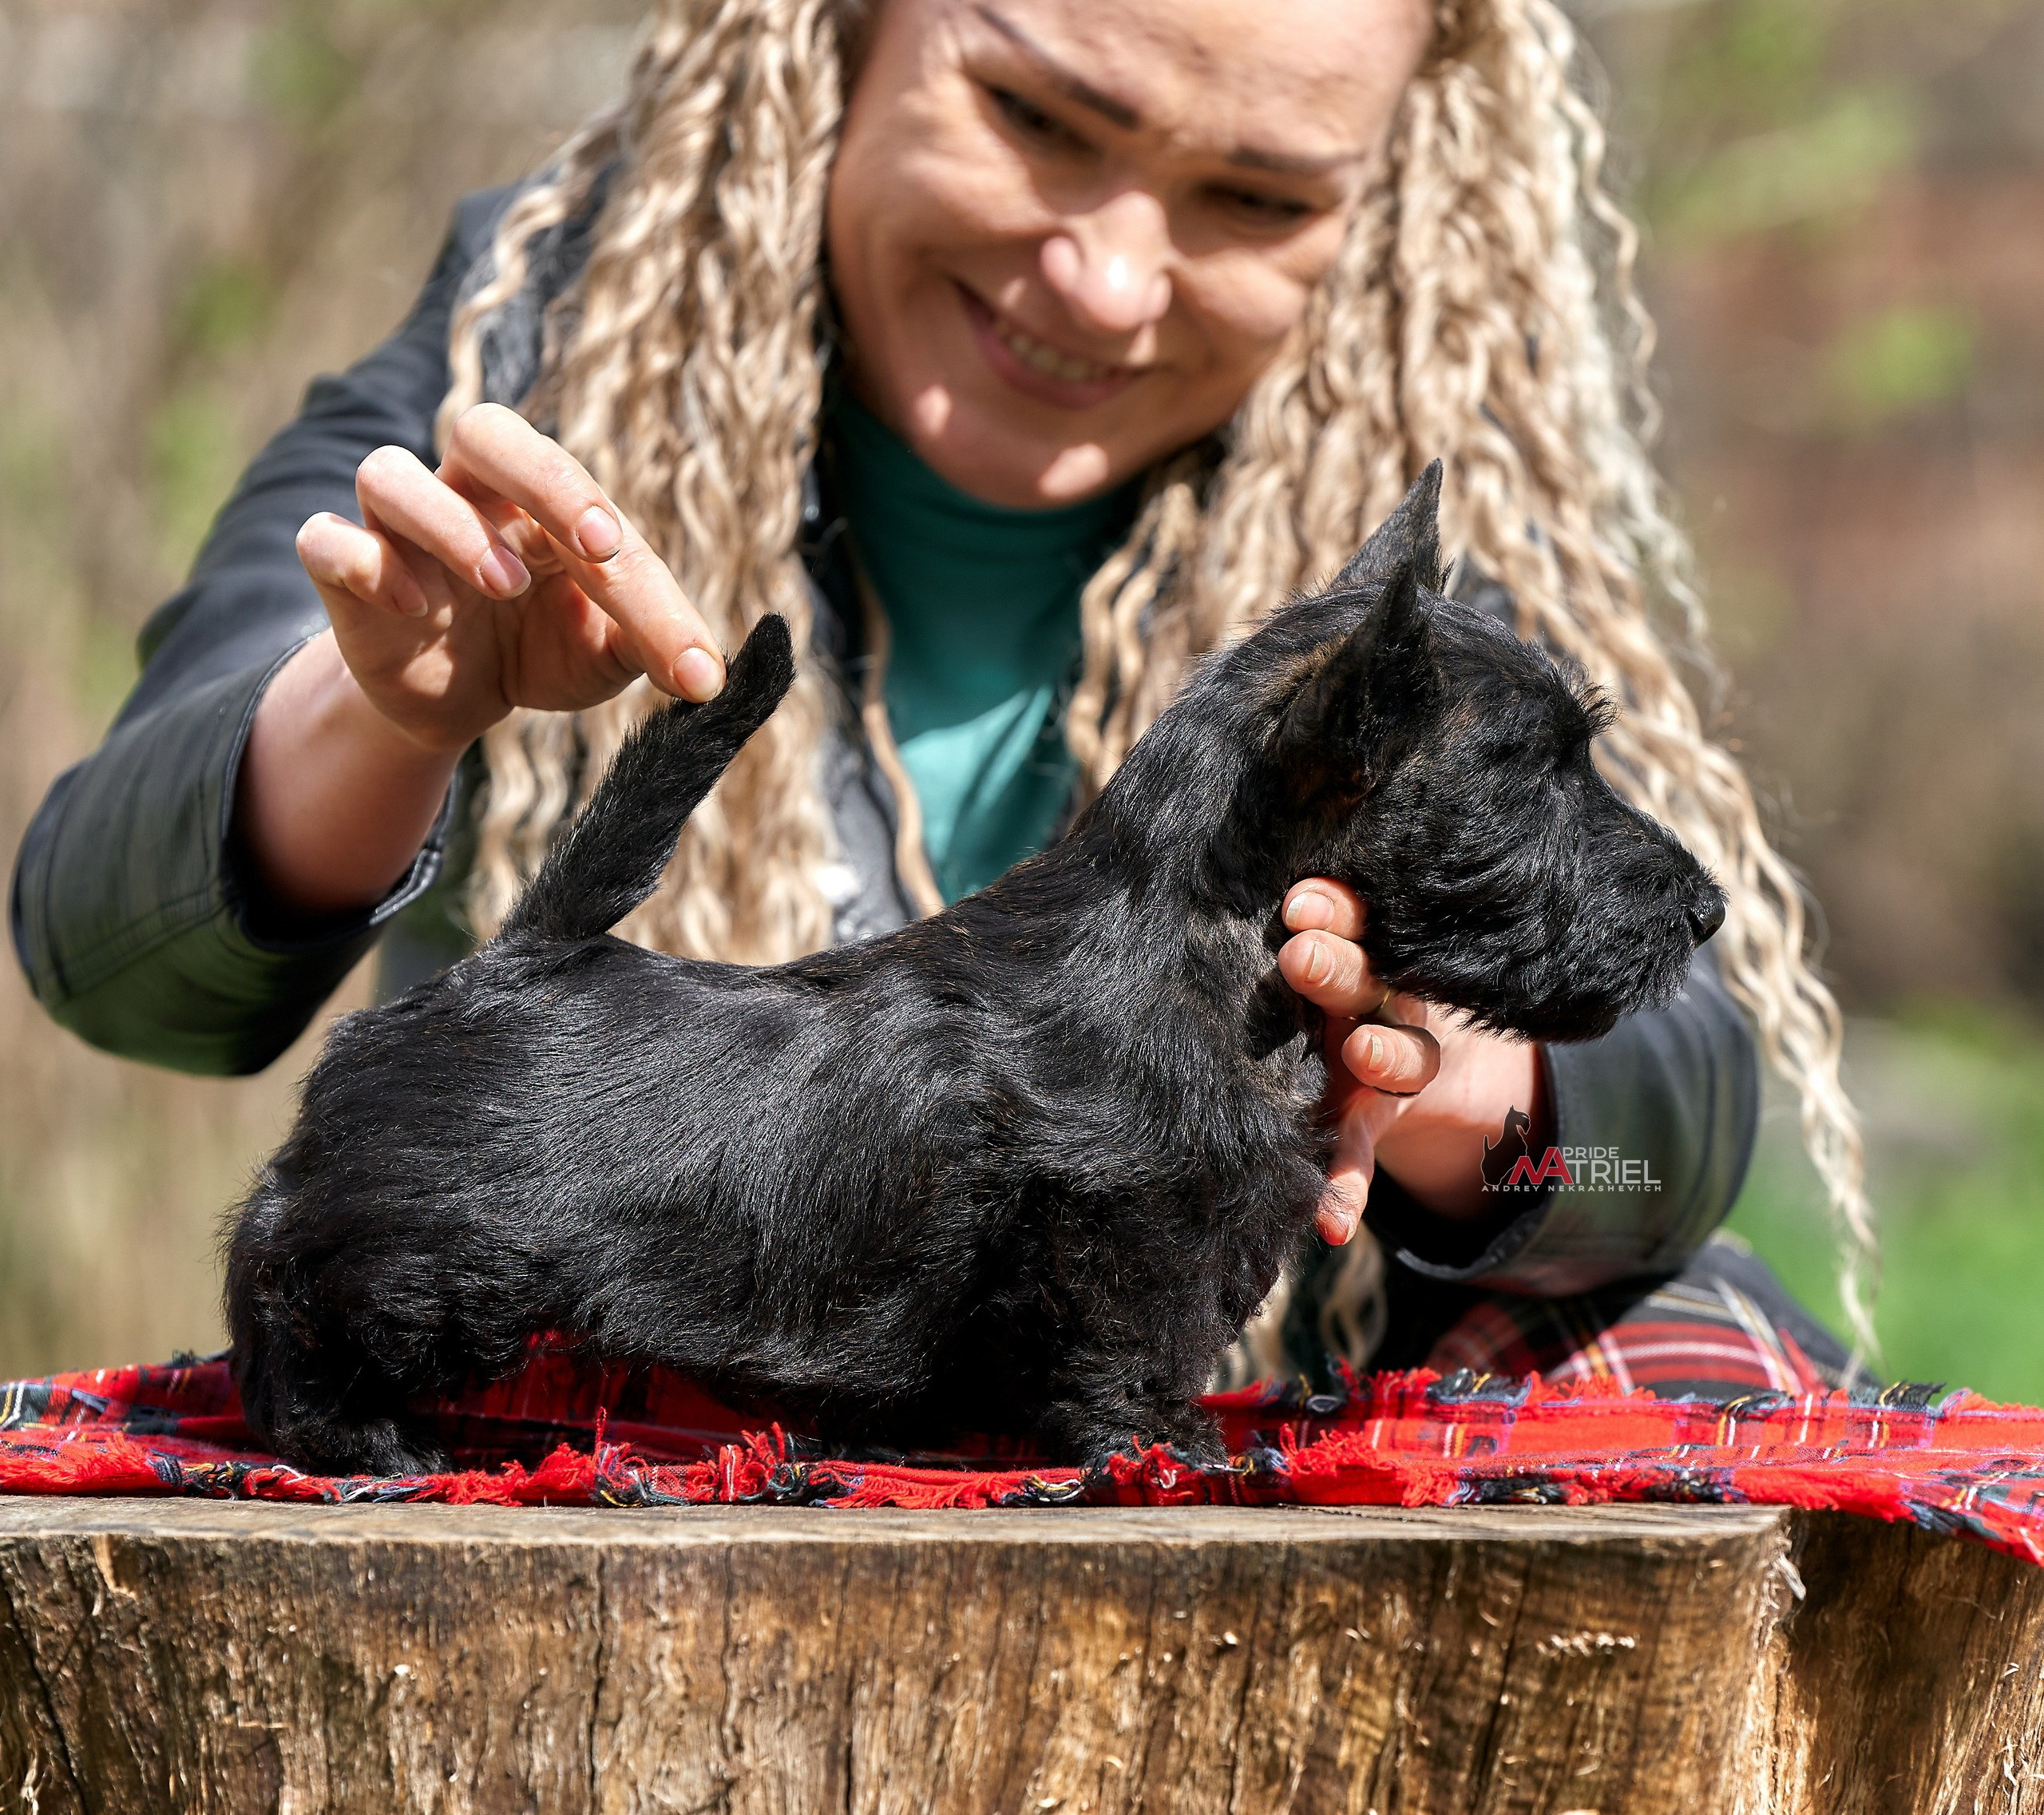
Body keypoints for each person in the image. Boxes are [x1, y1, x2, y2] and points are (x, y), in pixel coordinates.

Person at [10, 0, 1876, 1397]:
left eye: (1256, 195)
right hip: (667, 1388)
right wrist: (384, 712)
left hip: (1222, 1421)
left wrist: (1485, 1100)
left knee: (1690, 1341)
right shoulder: (516, 355)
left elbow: (1674, 1136)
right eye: (1036, 113)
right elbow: (108, 953)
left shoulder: (1415, 523)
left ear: (1380, 195)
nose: (1104, 277)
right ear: (845, 25)